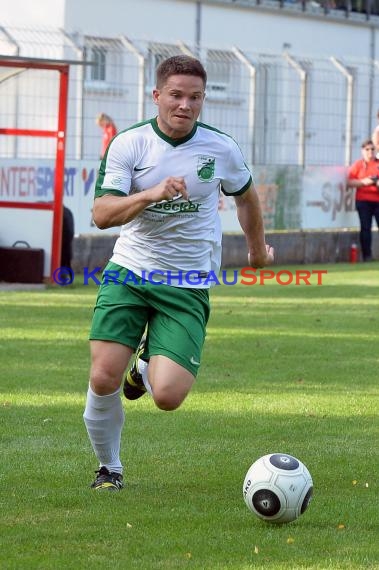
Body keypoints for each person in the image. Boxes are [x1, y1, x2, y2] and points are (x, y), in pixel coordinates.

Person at [84, 55, 274, 491]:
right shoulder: (130, 144)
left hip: (187, 280)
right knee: (102, 376)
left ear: (203, 100)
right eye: (175, 95)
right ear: (157, 96)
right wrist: (151, 193)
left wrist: (256, 250)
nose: (185, 105)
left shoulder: (220, 147)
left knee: (167, 397)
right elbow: (101, 214)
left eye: (195, 97)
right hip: (130, 271)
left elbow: (246, 198)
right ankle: (109, 469)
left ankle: (144, 367)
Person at [347, 138, 379, 261]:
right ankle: (367, 256)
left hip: (378, 201)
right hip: (363, 201)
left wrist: (377, 183)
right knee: (365, 228)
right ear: (362, 151)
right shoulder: (358, 165)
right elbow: (349, 182)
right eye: (367, 149)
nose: (370, 152)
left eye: (372, 149)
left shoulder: (378, 164)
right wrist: (365, 182)